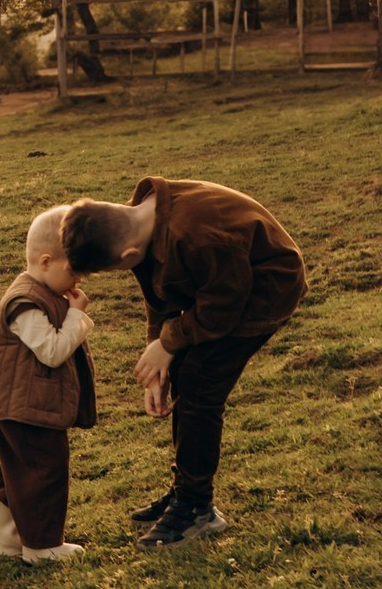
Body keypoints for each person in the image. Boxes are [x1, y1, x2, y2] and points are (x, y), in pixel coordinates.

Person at [60, 179, 304, 550]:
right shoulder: (141, 221)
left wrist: (169, 342)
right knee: (182, 371)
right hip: (216, 289)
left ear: (128, 254)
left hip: (261, 292)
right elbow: (161, 293)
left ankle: (197, 507)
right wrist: (158, 356)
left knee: (200, 383)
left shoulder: (198, 237)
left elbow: (222, 309)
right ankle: (184, 490)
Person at [0, 205, 97, 564]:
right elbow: (52, 351)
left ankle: (12, 538)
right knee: (44, 471)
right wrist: (76, 317)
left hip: (24, 404)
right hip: (25, 408)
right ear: (46, 262)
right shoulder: (24, 302)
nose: (78, 280)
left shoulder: (41, 293)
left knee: (20, 472)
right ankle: (41, 546)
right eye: (74, 271)